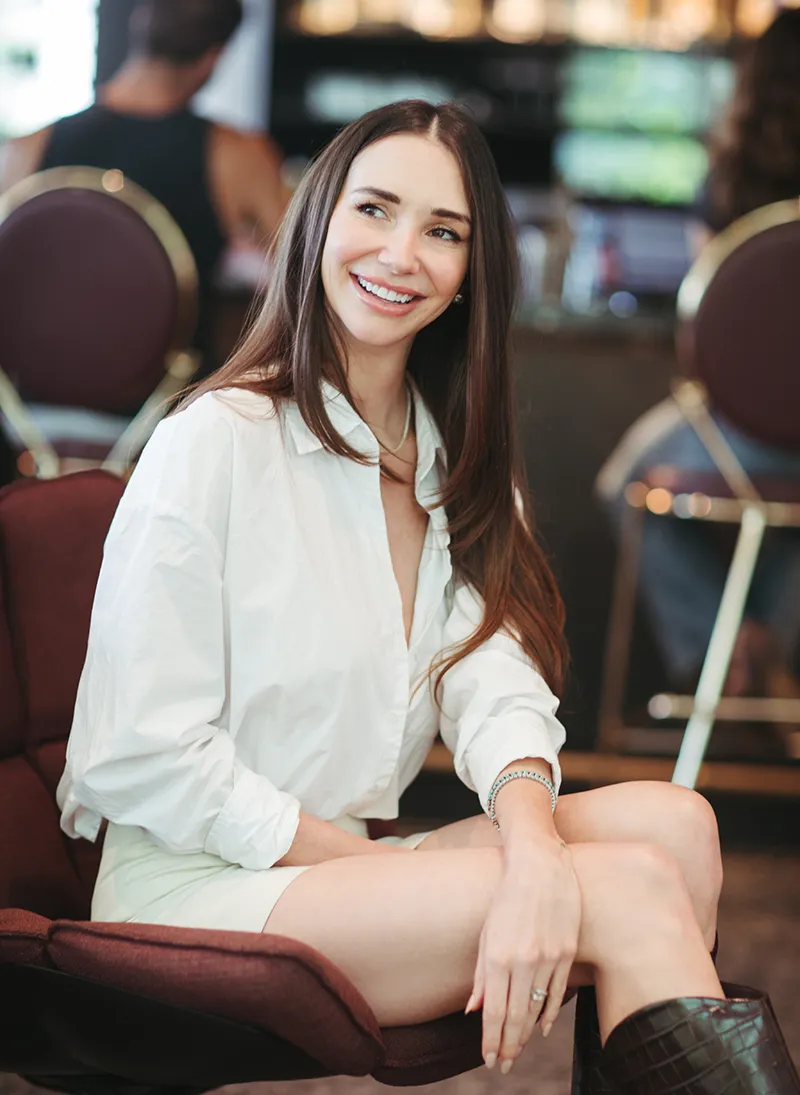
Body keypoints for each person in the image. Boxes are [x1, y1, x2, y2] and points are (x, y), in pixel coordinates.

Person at [57, 101, 797, 1092]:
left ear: (466, 278)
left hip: (339, 859)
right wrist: (386, 871)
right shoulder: (217, 440)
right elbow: (143, 751)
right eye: (374, 209)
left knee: (679, 829)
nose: (400, 253)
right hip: (199, 882)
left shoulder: (452, 457)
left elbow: (492, 680)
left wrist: (529, 849)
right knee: (622, 892)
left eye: (442, 231)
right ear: (316, 222)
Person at [597, 9, 800, 711]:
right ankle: (765, 652)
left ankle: (724, 647)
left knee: (624, 480)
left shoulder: (727, 182)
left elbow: (712, 331)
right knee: (786, 519)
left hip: (730, 434)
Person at [0, 0, 289, 380]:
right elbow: (303, 266)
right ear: (214, 57)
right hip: (168, 408)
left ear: (139, 26)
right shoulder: (237, 155)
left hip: (29, 402)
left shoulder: (28, 148)